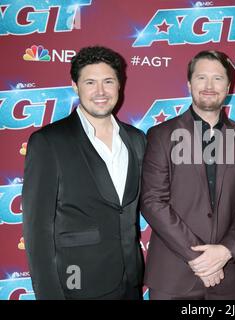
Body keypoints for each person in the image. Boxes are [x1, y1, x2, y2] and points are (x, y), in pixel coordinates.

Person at [22, 46, 146, 300]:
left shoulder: (136, 139)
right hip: (77, 285)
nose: (100, 91)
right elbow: (37, 230)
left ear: (119, 85)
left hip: (130, 281)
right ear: (76, 86)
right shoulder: (49, 142)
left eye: (108, 81)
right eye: (90, 82)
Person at [140, 50, 235, 300]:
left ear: (228, 86)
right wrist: (199, 258)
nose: (208, 86)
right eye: (201, 77)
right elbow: (153, 202)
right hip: (173, 275)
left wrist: (226, 251)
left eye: (217, 78)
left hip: (229, 276)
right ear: (189, 83)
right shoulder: (161, 135)